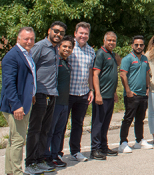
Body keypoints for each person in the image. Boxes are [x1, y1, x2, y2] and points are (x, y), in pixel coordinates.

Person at [26, 21, 66, 173]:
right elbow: (29, 67)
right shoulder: (40, 46)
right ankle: (30, 163)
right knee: (35, 129)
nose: (58, 34)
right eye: (56, 31)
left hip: (52, 94)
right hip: (40, 94)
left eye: (61, 33)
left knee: (45, 130)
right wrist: (31, 92)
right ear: (49, 30)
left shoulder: (56, 49)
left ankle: (39, 159)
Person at [0, 27, 37, 175]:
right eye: (26, 38)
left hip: (25, 102)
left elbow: (27, 78)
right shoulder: (12, 56)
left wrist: (31, 94)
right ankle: (16, 172)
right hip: (15, 105)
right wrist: (16, 106)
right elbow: (9, 84)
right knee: (18, 140)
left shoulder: (27, 54)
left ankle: (10, 171)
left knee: (13, 139)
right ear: (18, 39)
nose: (29, 41)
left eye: (32, 39)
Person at [62, 22, 96, 162]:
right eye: (81, 33)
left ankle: (75, 151)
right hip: (67, 93)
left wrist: (91, 89)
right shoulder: (69, 47)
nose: (83, 36)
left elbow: (90, 72)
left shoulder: (90, 51)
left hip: (82, 93)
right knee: (61, 124)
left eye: (86, 33)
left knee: (78, 124)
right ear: (75, 33)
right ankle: (57, 152)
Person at [118, 35, 153, 153]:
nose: (139, 47)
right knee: (128, 119)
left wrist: (148, 88)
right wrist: (128, 91)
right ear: (132, 45)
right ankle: (123, 142)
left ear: (143, 46)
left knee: (140, 119)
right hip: (132, 94)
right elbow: (123, 75)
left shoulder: (144, 58)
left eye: (141, 45)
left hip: (143, 94)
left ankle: (139, 141)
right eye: (136, 45)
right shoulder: (127, 59)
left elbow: (147, 74)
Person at [44, 35, 74, 167]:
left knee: (59, 131)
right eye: (64, 46)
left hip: (64, 103)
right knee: (49, 131)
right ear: (59, 47)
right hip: (54, 103)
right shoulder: (55, 61)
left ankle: (55, 155)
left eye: (69, 47)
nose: (67, 49)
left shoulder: (66, 62)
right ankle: (46, 156)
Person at [90, 32, 119, 160]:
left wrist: (114, 93)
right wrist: (97, 94)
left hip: (110, 95)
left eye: (114, 41)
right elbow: (95, 74)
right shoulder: (100, 53)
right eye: (109, 40)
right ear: (104, 40)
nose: (111, 43)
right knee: (98, 123)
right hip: (101, 96)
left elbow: (111, 75)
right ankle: (95, 149)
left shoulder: (112, 55)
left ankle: (103, 147)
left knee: (106, 123)